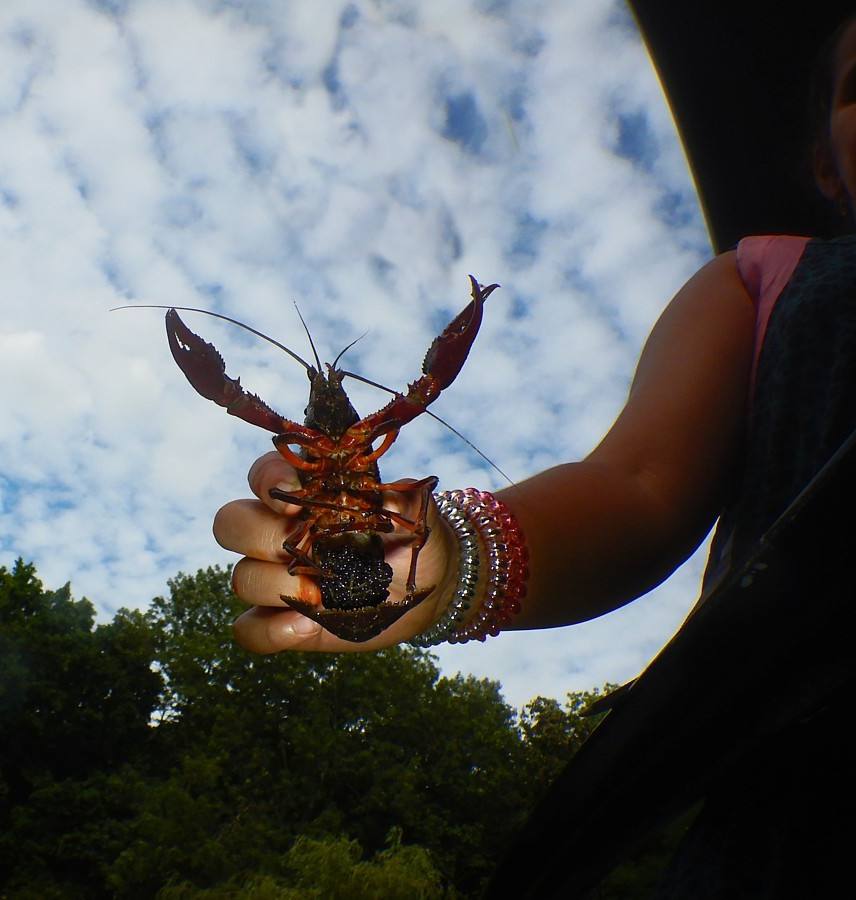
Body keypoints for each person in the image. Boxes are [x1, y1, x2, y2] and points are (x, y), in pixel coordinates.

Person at [210, 11, 856, 897]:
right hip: (795, 815)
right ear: (824, 160)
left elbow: (414, 403)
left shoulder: (379, 427)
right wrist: (449, 560)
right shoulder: (755, 282)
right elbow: (634, 487)